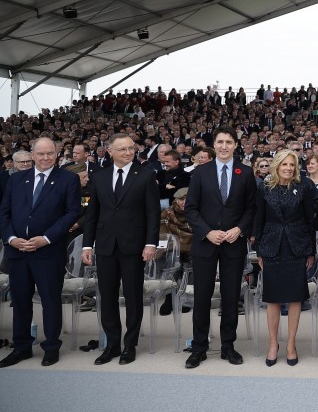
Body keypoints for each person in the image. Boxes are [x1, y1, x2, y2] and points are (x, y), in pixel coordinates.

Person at [0, 138, 81, 368]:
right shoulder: (16, 179)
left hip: (48, 252)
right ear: (32, 155)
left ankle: (52, 347)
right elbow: (3, 212)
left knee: (50, 300)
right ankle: (22, 347)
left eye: (50, 153)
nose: (46, 158)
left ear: (57, 154)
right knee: (20, 301)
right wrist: (12, 239)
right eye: (41, 154)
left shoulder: (68, 179)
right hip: (18, 251)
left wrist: (46, 239)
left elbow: (71, 212)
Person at [81, 134, 161, 366]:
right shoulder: (99, 176)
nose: (128, 153)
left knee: (133, 296)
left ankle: (130, 345)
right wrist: (88, 244)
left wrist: (150, 243)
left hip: (134, 246)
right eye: (123, 149)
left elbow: (152, 213)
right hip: (105, 245)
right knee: (107, 296)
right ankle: (112, 344)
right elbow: (92, 214)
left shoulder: (146, 175)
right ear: (110, 151)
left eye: (131, 148)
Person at [183, 126, 257, 369]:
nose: (224, 146)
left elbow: (251, 209)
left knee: (230, 297)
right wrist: (207, 231)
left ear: (236, 145)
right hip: (206, 244)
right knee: (202, 298)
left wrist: (239, 229)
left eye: (229, 142)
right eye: (220, 142)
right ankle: (199, 348)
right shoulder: (200, 173)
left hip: (233, 244)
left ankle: (228, 346)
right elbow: (190, 209)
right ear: (213, 145)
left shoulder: (245, 173)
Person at [253, 149, 317, 367]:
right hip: (271, 248)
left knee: (294, 298)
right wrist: (259, 250)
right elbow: (258, 220)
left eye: (292, 164)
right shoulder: (264, 188)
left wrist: (310, 251)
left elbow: (310, 220)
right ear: (276, 166)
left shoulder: (304, 187)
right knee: (272, 298)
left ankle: (291, 344)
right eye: (285, 164)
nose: (289, 168)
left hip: (297, 248)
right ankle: (273, 344)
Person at [159, 187, 193, 315]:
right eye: (181, 199)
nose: (184, 202)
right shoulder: (167, 213)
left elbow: (201, 231)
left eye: (187, 199)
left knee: (195, 260)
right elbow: (163, 236)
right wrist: (178, 245)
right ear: (176, 200)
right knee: (173, 260)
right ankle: (169, 297)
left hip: (193, 247)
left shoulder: (198, 211)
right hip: (173, 248)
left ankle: (186, 297)